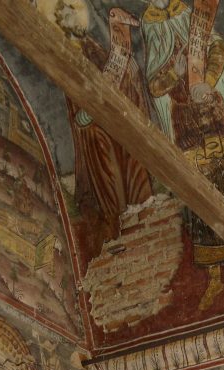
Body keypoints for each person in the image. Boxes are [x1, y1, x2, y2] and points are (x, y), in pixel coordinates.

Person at [142, 0, 224, 311]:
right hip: (185, 123)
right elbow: (154, 86)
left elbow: (219, 47)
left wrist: (207, 81)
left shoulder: (189, 15)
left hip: (212, 112)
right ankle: (214, 277)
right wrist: (174, 74)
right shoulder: (151, 26)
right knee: (200, 196)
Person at [54, 1, 152, 240]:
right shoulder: (65, 53)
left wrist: (128, 71)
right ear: (60, 24)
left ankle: (143, 214)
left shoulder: (92, 45)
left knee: (132, 161)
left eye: (73, 14)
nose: (72, 20)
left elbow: (112, 73)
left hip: (114, 117)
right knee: (109, 172)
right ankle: (119, 227)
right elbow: (74, 93)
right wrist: (83, 114)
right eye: (66, 17)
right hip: (93, 126)